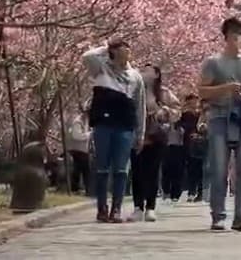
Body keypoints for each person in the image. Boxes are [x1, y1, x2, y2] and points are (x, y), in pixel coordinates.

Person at [198, 17, 241, 232]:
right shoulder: (213, 62)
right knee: (219, 168)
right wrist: (226, 88)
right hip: (219, 117)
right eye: (236, 33)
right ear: (226, 36)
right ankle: (218, 215)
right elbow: (202, 90)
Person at [82, 40, 146, 224]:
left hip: (125, 125)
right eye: (121, 49)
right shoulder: (101, 69)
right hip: (103, 123)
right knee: (102, 167)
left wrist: (140, 134)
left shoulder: (135, 77)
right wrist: (106, 47)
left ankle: (116, 209)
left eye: (127, 48)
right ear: (113, 52)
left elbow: (140, 106)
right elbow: (86, 57)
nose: (126, 52)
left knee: (120, 169)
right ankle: (102, 208)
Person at [132, 64, 179, 221]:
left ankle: (150, 207)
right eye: (143, 70)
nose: (144, 72)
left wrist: (164, 111)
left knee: (152, 172)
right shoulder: (134, 89)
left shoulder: (164, 93)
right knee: (137, 171)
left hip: (156, 136)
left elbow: (177, 111)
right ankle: (138, 206)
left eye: (148, 70)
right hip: (137, 134)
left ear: (157, 74)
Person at [66, 109, 92, 196]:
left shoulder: (86, 122)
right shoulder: (77, 122)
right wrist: (89, 135)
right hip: (77, 149)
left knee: (82, 169)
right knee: (82, 170)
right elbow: (76, 136)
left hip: (83, 150)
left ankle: (82, 189)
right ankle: (78, 189)